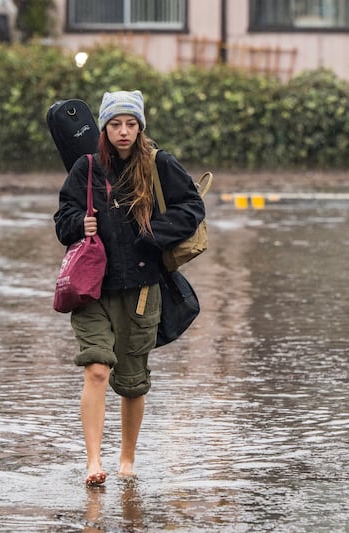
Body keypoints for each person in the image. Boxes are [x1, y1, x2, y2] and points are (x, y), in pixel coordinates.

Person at [54, 90, 205, 487]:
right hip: (92, 289)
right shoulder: (86, 168)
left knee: (133, 381)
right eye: (116, 124)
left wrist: (153, 233)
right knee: (97, 367)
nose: (124, 131)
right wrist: (76, 226)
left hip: (141, 290)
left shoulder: (159, 164)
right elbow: (62, 218)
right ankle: (93, 462)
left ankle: (127, 459)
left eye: (131, 124)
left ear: (140, 128)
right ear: (103, 127)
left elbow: (191, 208)